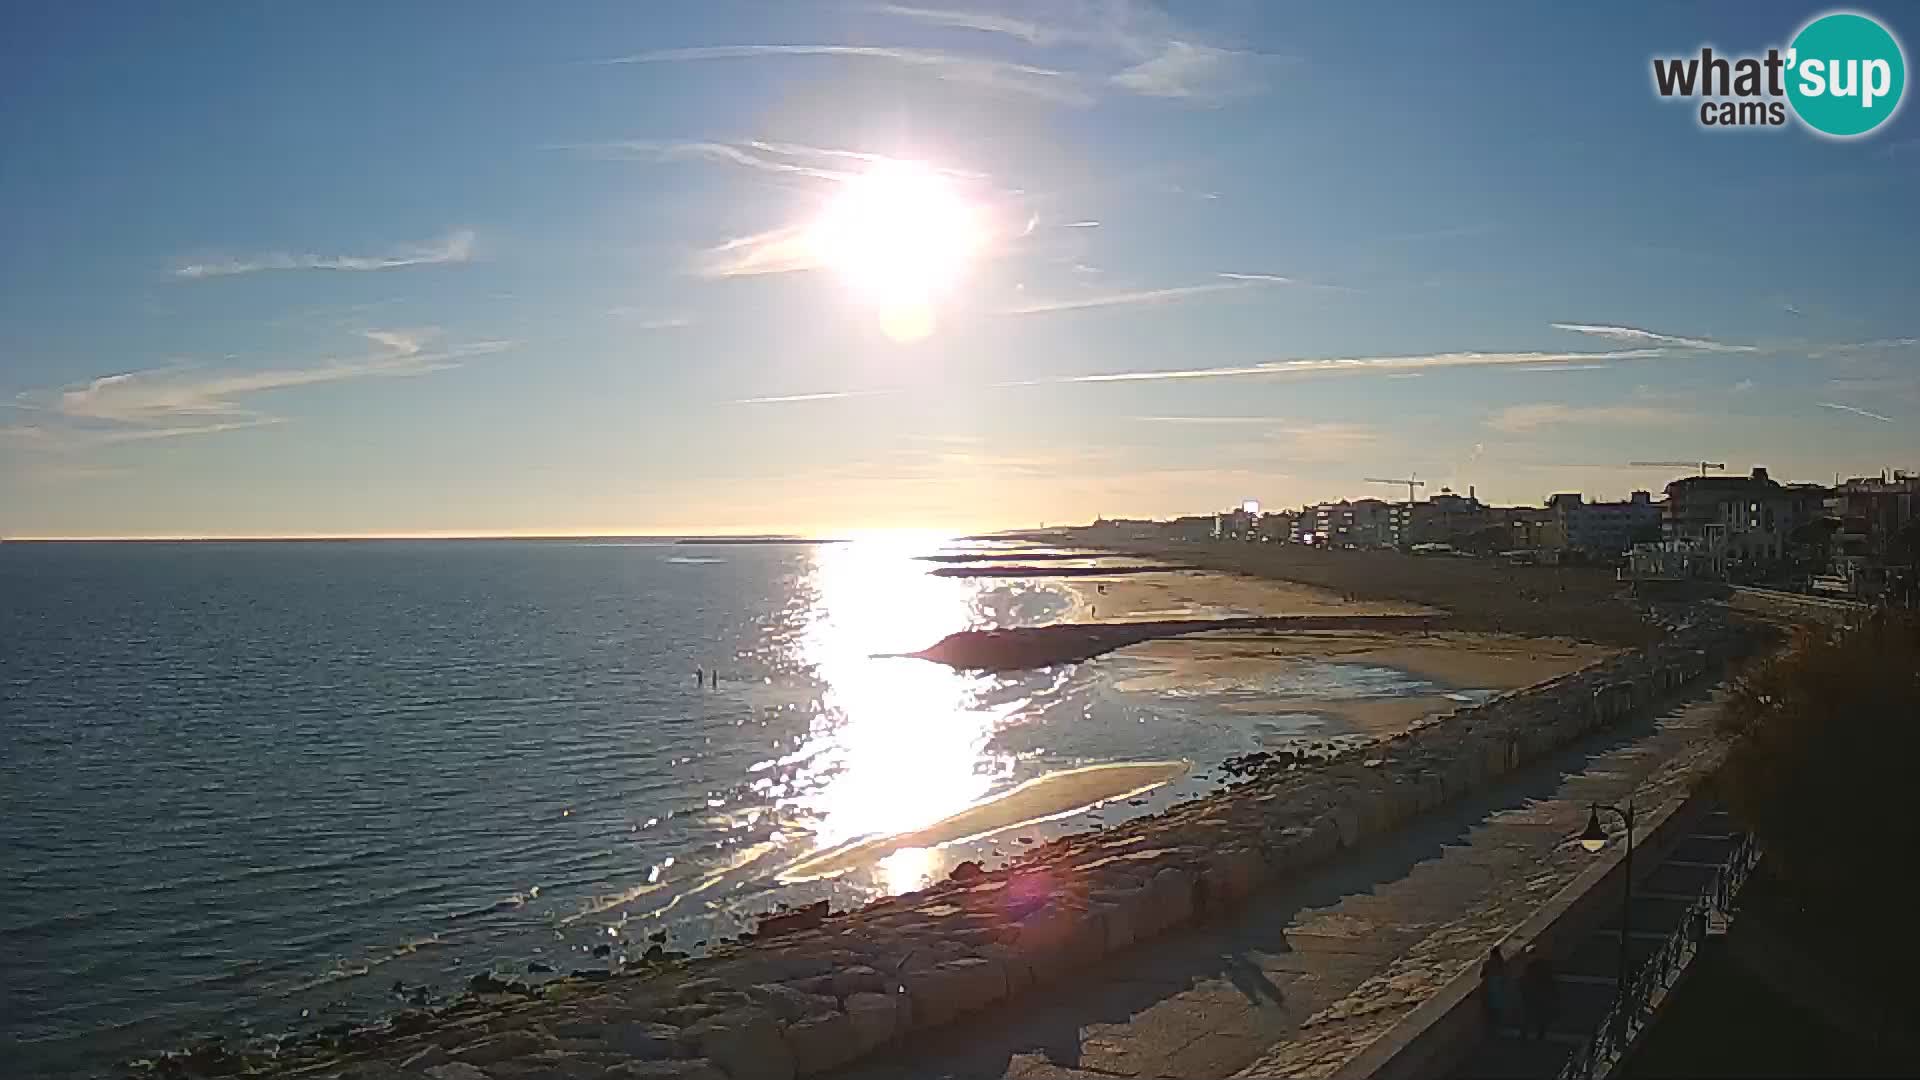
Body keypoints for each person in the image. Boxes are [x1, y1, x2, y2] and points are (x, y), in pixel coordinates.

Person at [1521, 950, 1559, 1041]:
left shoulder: (1531, 967)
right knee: (1540, 1015)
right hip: (1540, 995)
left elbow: (1526, 981)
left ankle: (1525, 1034)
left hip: (1534, 995)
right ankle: (1538, 1034)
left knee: (1529, 1015)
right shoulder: (1542, 966)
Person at [1480, 945, 1510, 1030]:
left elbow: (1481, 975)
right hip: (1500, 988)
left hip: (1489, 989)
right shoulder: (1502, 963)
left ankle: (1492, 1026)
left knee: (1491, 1008)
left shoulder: (1487, 963)